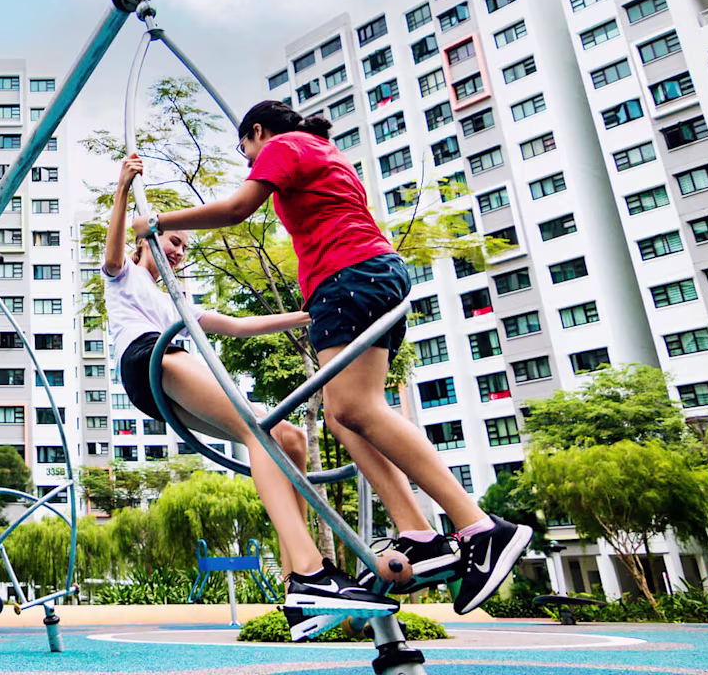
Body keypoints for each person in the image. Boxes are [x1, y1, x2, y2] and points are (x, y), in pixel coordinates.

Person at [143, 100, 533, 618]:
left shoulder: (283, 146)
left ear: (257, 131)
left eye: (245, 150)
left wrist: (158, 220)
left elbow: (238, 210)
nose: (249, 162)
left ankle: (479, 527)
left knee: (360, 409)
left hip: (346, 278)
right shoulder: (324, 151)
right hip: (369, 277)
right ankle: (420, 533)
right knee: (345, 413)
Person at [105, 153, 397, 640]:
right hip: (147, 359)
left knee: (289, 439)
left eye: (183, 247)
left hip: (170, 366)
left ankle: (298, 583)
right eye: (173, 241)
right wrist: (122, 190)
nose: (179, 251)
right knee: (258, 432)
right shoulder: (127, 277)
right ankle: (309, 572)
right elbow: (113, 256)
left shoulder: (178, 301)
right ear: (148, 238)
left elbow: (238, 327)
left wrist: (314, 312)